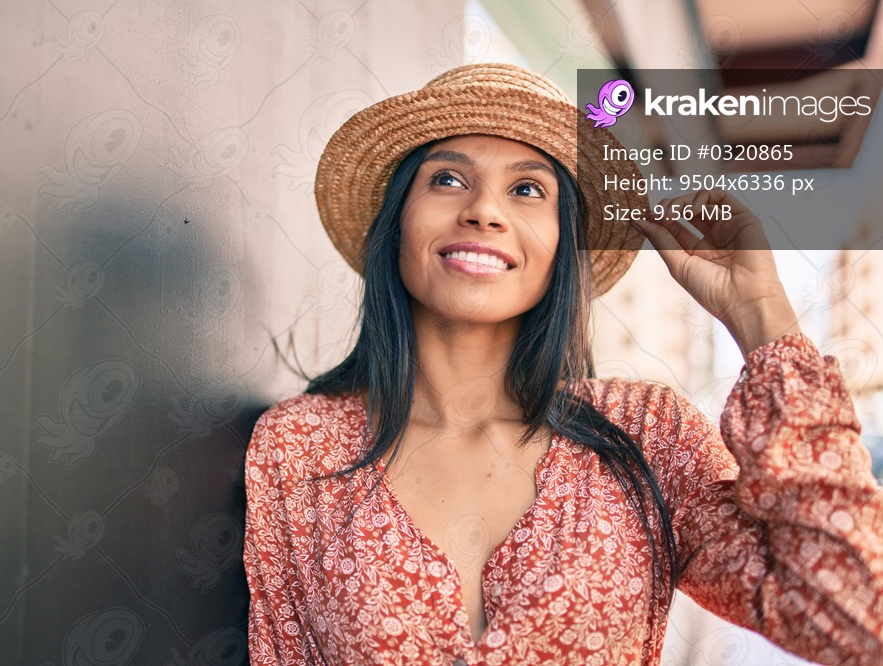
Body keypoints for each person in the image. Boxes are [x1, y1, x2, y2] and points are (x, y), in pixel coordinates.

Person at [243, 63, 883, 665]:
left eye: (527, 189)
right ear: (398, 222)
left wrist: (761, 313)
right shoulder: (298, 446)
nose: (484, 211)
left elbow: (856, 614)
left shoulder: (647, 435)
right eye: (446, 178)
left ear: (563, 244)